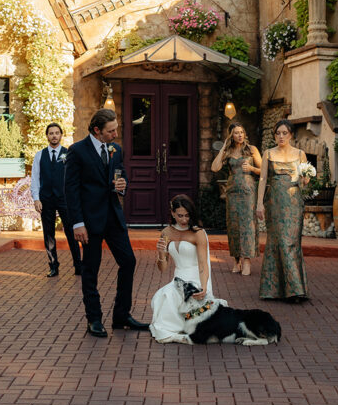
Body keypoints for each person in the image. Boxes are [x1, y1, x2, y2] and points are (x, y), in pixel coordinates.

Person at [65, 109, 148, 337]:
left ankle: (121, 316)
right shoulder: (77, 151)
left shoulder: (116, 149)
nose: (115, 134)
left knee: (128, 261)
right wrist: (77, 223)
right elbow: (70, 191)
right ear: (97, 130)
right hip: (89, 221)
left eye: (116, 129)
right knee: (91, 270)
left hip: (113, 216)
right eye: (111, 131)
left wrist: (123, 185)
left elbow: (120, 174)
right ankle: (94, 319)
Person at [255, 119, 309, 302]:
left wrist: (306, 179)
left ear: (291, 134)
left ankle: (295, 290)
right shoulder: (268, 154)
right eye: (278, 133)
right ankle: (272, 290)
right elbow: (263, 179)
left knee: (290, 243)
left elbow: (304, 181)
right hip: (275, 203)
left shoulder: (300, 154)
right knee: (275, 243)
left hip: (294, 203)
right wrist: (259, 204)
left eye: (284, 133)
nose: (281, 136)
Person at [150, 195, 216, 343]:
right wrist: (161, 253)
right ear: (173, 213)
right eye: (180, 215)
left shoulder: (198, 233)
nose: (184, 220)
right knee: (165, 296)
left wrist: (204, 287)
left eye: (187, 215)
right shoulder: (166, 232)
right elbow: (163, 268)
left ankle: (181, 331)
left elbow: (203, 264)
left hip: (197, 279)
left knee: (195, 315)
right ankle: (176, 333)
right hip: (178, 279)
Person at [31, 123, 81, 277]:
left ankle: (78, 265)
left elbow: (75, 178)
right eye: (51, 133)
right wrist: (36, 199)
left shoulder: (68, 154)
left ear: (61, 135)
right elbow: (35, 178)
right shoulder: (40, 155)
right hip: (46, 199)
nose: (54, 135)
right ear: (47, 136)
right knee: (49, 234)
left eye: (56, 133)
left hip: (65, 199)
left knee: (71, 232)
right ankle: (53, 266)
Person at [211, 123, 261, 276]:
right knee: (233, 225)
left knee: (247, 225)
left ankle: (246, 260)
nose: (240, 135)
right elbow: (215, 168)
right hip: (232, 191)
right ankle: (236, 259)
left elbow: (263, 170)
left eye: (242, 132)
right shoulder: (229, 151)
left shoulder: (252, 149)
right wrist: (223, 148)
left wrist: (252, 169)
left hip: (248, 191)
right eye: (236, 133)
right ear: (231, 136)